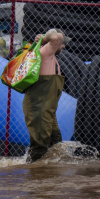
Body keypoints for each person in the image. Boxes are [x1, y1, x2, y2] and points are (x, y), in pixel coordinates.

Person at [22, 29, 71, 162]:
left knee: (56, 142)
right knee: (40, 146)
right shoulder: (46, 51)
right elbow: (55, 35)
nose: (63, 46)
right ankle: (33, 175)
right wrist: (44, 38)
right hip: (38, 107)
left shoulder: (50, 56)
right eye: (62, 43)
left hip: (47, 110)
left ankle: (50, 176)